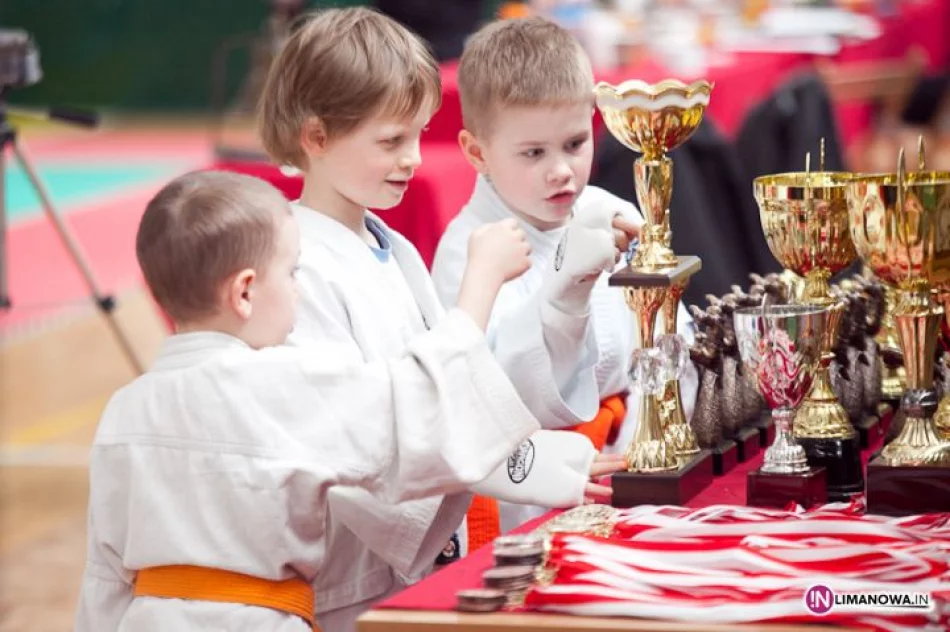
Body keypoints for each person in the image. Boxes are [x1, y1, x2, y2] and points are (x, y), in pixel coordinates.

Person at [256, 8, 627, 631]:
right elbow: (354, 438)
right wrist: (480, 289)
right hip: (345, 579)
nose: (411, 159)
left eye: (417, 136)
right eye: (390, 142)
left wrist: (550, 462)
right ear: (315, 137)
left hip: (396, 571)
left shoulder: (393, 249)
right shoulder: (295, 268)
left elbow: (449, 404)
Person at [74, 170, 545, 631]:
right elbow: (420, 409)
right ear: (244, 292)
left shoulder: (123, 409)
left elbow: (105, 578)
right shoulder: (280, 384)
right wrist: (479, 288)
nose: (299, 290)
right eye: (292, 272)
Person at [429, 15, 699, 533]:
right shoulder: (472, 250)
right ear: (477, 152)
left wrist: (641, 439)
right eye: (534, 152)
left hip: (632, 461)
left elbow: (670, 343)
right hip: (531, 496)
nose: (561, 170)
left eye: (575, 143)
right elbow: (489, 399)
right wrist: (563, 293)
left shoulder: (611, 213)